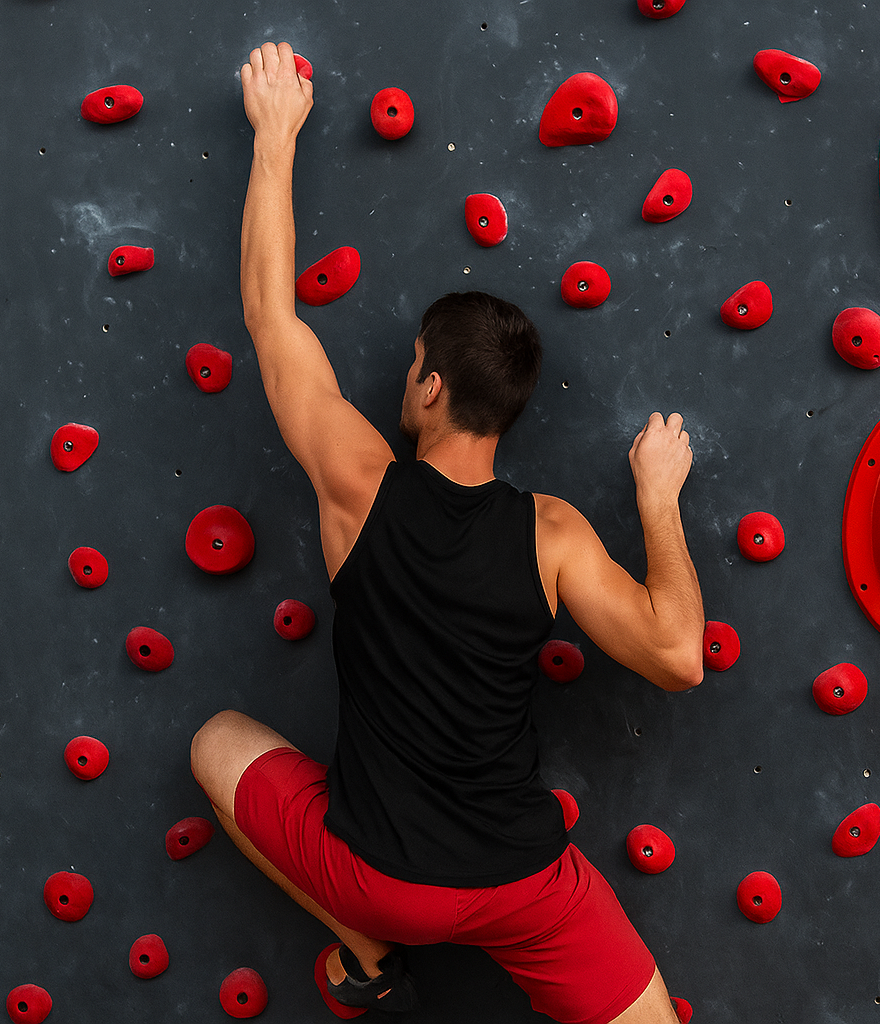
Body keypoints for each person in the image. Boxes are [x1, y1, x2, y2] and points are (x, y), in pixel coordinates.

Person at [190, 42, 705, 1024]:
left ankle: (369, 952)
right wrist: (658, 500)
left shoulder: (358, 484)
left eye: (412, 366)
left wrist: (275, 134)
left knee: (217, 743)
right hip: (523, 886)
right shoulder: (550, 533)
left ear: (428, 386)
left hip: (381, 878)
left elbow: (270, 316)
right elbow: (679, 653)